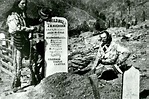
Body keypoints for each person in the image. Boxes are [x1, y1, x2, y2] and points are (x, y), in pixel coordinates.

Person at [6, 0, 36, 88]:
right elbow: (15, 28)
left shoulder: (21, 15)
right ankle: (16, 85)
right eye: (22, 3)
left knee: (31, 59)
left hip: (24, 41)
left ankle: (32, 79)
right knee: (17, 63)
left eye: (25, 3)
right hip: (17, 42)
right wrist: (29, 29)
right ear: (17, 4)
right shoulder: (12, 16)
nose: (24, 5)